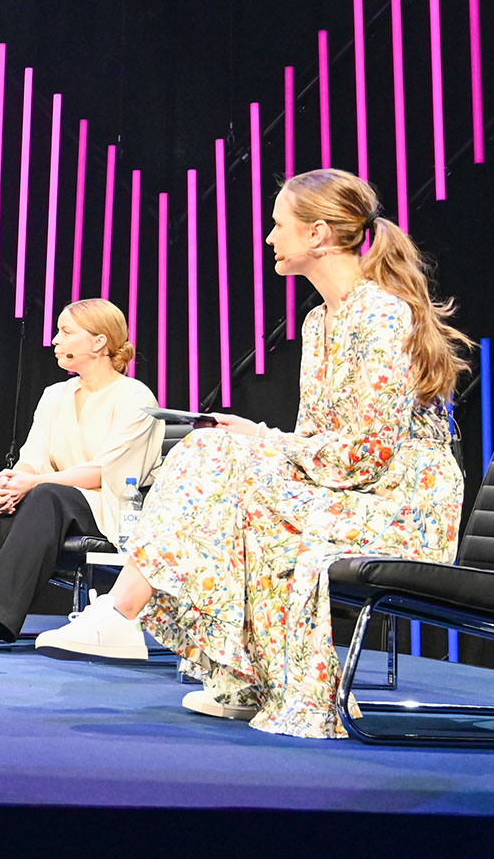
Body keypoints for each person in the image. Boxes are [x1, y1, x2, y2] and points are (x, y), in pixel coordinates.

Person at [35, 169, 470, 739]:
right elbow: (322, 437)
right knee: (213, 448)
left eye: (277, 225)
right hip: (353, 486)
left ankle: (120, 612)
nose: (268, 238)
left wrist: (263, 444)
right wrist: (259, 435)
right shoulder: (319, 322)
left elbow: (365, 453)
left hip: (402, 500)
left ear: (317, 235)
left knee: (218, 458)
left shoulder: (381, 314)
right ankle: (247, 679)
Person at [0, 298, 161, 653]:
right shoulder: (55, 395)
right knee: (1, 499)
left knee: (46, 494)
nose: (54, 340)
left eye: (65, 332)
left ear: (98, 342)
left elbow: (105, 473)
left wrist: (33, 483)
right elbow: (32, 459)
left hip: (106, 509)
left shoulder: (134, 397)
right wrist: (14, 481)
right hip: (48, 505)